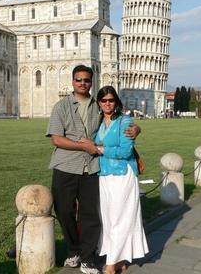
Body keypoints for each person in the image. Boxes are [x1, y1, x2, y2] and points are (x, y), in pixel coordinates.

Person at [46, 65, 140, 274]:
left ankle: (88, 257)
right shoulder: (61, 106)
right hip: (65, 165)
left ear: (91, 82)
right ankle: (74, 250)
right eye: (79, 80)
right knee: (64, 210)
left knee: (90, 214)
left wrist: (136, 128)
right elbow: (56, 139)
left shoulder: (98, 106)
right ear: (73, 81)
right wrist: (83, 146)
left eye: (86, 80)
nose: (82, 83)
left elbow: (114, 119)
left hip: (91, 167)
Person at [93, 86, 148, 274]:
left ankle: (111, 264)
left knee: (120, 218)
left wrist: (101, 150)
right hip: (105, 175)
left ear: (116, 102)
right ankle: (121, 259)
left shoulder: (125, 122)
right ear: (99, 103)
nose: (107, 103)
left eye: (111, 100)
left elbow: (125, 152)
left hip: (123, 175)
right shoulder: (99, 121)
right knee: (108, 218)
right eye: (104, 100)